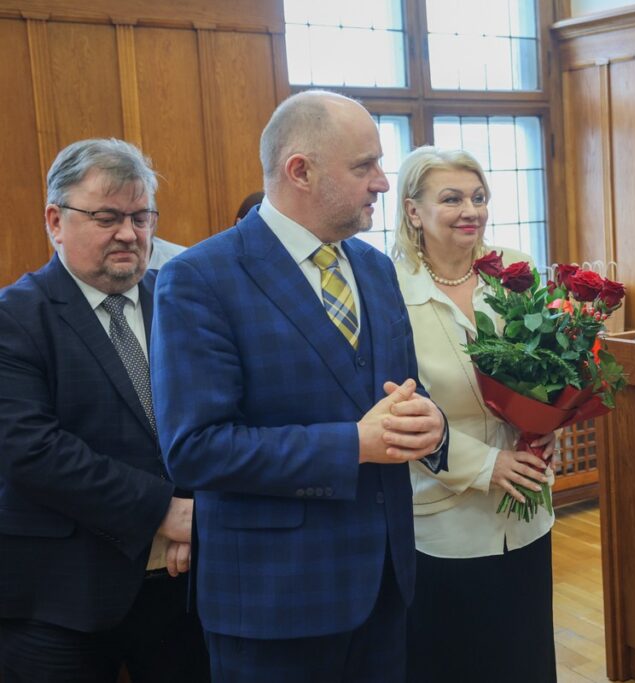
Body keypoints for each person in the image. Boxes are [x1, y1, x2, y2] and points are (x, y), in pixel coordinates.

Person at [150, 91, 449, 682]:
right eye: (364, 166)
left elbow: (402, 394)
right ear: (300, 171)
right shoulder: (200, 279)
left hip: (385, 588)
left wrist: (431, 426)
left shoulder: (374, 267)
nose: (383, 184)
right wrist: (351, 446)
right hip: (274, 602)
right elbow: (196, 448)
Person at [0, 138, 208, 682]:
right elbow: (32, 451)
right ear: (55, 220)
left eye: (142, 218)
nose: (128, 234)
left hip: (181, 589)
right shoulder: (15, 317)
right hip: (59, 603)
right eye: (106, 216)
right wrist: (165, 509)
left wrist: (195, 512)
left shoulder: (181, 305)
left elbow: (212, 422)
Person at [391, 146, 557, 682]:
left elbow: (553, 371)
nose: (471, 211)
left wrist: (545, 431)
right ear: (413, 211)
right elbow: (398, 411)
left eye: (479, 197)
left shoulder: (516, 270)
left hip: (527, 514)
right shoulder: (388, 290)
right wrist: (488, 467)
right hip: (443, 521)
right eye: (452, 198)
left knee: (525, 660)